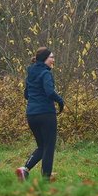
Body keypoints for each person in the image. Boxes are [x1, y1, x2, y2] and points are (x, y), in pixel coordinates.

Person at [17, 47, 65, 181]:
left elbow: (26, 94)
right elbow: (49, 92)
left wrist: (36, 98)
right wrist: (61, 102)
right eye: (52, 57)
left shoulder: (31, 73)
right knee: (49, 146)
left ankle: (24, 169)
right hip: (46, 114)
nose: (53, 60)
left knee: (42, 146)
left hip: (31, 115)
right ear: (44, 59)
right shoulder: (45, 74)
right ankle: (46, 178)